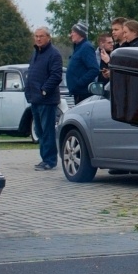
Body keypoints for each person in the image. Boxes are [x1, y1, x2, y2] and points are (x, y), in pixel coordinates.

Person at [25, 27, 63, 170]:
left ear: (48, 37)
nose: (38, 39)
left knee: (47, 131)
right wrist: (28, 92)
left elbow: (56, 76)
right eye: (36, 36)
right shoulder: (36, 53)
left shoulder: (54, 54)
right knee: (39, 131)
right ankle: (44, 159)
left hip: (47, 100)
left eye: (41, 36)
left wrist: (44, 91)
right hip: (35, 99)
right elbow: (31, 73)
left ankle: (50, 160)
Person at [65, 23, 101, 105]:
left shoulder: (86, 47)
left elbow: (94, 69)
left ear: (80, 33)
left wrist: (79, 83)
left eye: (73, 32)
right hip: (78, 93)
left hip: (84, 94)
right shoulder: (78, 48)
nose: (71, 35)